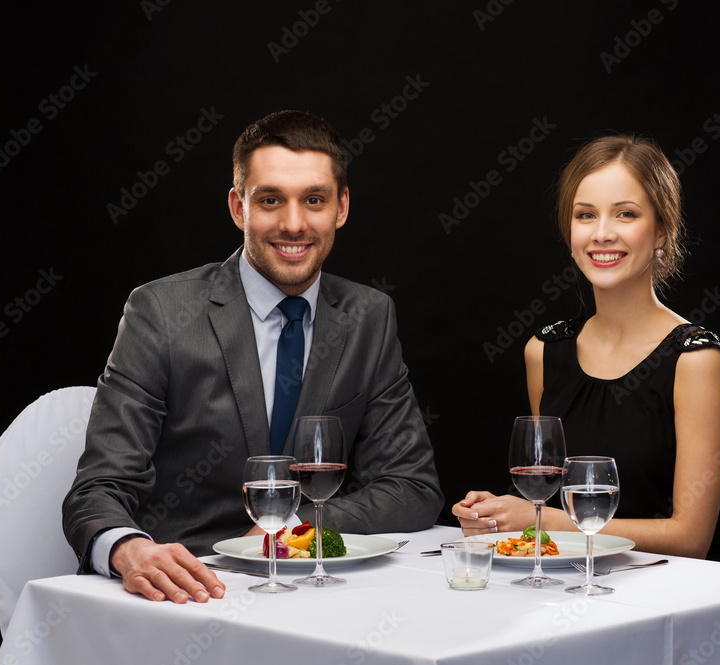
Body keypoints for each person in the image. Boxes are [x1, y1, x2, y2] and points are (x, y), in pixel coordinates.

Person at [63, 110, 444, 603]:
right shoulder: (160, 312)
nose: (293, 224)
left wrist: (289, 529)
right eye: (270, 200)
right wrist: (129, 549)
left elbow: (412, 487)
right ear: (238, 208)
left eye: (314, 200)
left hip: (322, 591)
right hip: (189, 592)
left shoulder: (369, 316)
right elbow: (98, 489)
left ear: (342, 207)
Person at [453, 134, 720, 560]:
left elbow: (690, 539)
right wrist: (493, 515)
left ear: (661, 231)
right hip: (572, 586)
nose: (602, 233)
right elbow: (541, 495)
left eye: (625, 214)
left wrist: (539, 520)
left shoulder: (696, 360)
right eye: (585, 215)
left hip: (675, 594)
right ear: (570, 233)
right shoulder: (543, 352)